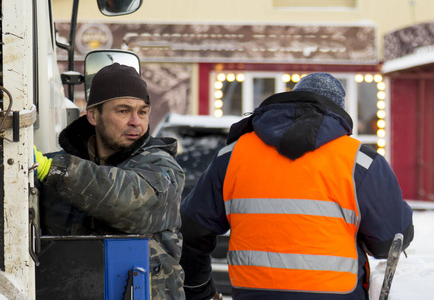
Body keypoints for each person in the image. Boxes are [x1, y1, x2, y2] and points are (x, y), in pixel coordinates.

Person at [179, 73, 414, 299]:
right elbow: (389, 242)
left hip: (253, 293)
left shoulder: (232, 156)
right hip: (337, 295)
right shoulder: (360, 161)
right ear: (339, 111)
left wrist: (199, 288)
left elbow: (192, 228)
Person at [34, 63, 185, 300]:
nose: (136, 121)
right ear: (93, 115)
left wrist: (52, 170)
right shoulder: (55, 169)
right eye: (123, 111)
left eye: (142, 112)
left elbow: (132, 203)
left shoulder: (161, 167)